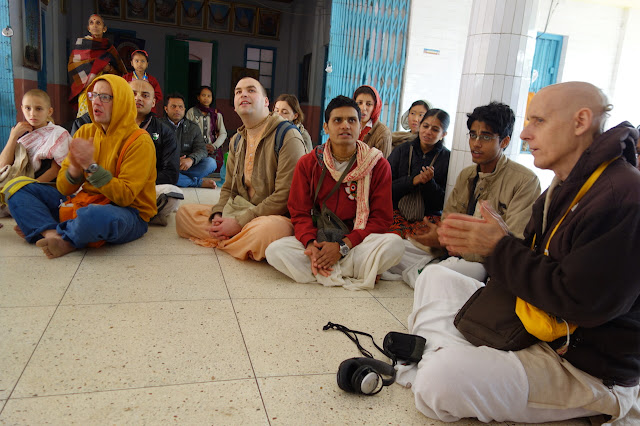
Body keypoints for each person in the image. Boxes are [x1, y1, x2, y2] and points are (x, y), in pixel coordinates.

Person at [398, 82, 640, 424]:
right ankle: (453, 359)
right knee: (436, 278)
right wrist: (498, 243)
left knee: (439, 382)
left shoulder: (622, 196)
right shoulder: (564, 186)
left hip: (582, 365)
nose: (525, 133)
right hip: (533, 326)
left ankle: (443, 361)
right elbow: (539, 264)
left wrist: (499, 247)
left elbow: (581, 301)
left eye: (538, 121)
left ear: (580, 121)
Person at [385, 102, 540, 286]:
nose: (476, 143)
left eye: (486, 137)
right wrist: (440, 237)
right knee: (388, 248)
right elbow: (449, 221)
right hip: (452, 252)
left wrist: (453, 244)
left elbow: (515, 244)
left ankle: (429, 273)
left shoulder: (524, 181)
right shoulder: (467, 175)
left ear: (504, 142)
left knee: (431, 277)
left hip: (485, 263)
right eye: (473, 135)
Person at [5, 75, 157, 258]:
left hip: (129, 212)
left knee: (95, 216)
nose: (96, 102)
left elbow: (124, 197)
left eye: (105, 97)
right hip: (81, 201)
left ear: (123, 101)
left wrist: (90, 166)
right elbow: (63, 188)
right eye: (93, 95)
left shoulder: (140, 141)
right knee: (16, 188)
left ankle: (47, 228)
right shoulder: (85, 131)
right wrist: (74, 171)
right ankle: (54, 234)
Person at [265, 96, 404, 290]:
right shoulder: (309, 163)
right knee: (275, 251)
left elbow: (381, 219)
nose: (345, 126)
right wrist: (311, 245)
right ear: (326, 127)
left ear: (360, 125)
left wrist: (342, 247)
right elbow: (299, 212)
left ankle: (323, 270)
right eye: (337, 120)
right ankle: (349, 270)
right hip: (320, 238)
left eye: (352, 120)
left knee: (394, 245)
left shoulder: (377, 164)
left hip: (356, 243)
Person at [175, 77, 306, 261]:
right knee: (183, 215)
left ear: (267, 102)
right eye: (238, 92)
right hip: (238, 209)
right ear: (235, 106)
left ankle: (226, 238)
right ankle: (235, 241)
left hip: (273, 217)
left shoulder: (287, 136)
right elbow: (228, 187)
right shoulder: (237, 139)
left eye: (251, 90)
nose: (243, 94)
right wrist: (219, 213)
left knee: (266, 233)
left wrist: (239, 223)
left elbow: (285, 196)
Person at [0, 90, 71, 215]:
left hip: (46, 187)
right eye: (28, 108)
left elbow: (57, 170)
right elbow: (3, 166)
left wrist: (28, 188)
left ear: (49, 111)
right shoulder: (23, 138)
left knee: (14, 200)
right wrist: (13, 137)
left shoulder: (58, 134)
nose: (32, 113)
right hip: (22, 185)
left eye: (38, 109)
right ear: (22, 109)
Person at [387, 109, 451, 239]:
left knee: (432, 242)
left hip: (429, 217)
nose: (428, 132)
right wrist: (412, 181)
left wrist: (430, 183)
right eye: (425, 126)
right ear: (420, 126)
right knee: (392, 240)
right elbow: (385, 188)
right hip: (396, 212)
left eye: (435, 129)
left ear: (443, 134)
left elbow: (444, 202)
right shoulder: (401, 150)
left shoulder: (447, 158)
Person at [130, 80, 182, 225]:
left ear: (153, 102)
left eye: (144, 95)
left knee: (172, 194)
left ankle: (133, 210)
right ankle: (146, 214)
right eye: (133, 94)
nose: (138, 98)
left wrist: (138, 184)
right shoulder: (111, 125)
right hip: (116, 185)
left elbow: (171, 174)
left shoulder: (164, 131)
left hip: (147, 186)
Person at [68, 14, 126, 117]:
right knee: (86, 118)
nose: (95, 25)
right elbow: (74, 67)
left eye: (98, 23)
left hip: (105, 89)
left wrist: (110, 68)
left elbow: (120, 72)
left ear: (104, 29)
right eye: (92, 23)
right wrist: (95, 69)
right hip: (86, 89)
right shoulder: (81, 45)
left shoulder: (109, 48)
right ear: (88, 28)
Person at [162, 93, 217, 189]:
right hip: (166, 167)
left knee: (211, 163)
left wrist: (191, 159)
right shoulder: (159, 126)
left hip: (186, 166)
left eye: (180, 107)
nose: (177, 109)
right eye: (173, 106)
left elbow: (202, 150)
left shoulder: (193, 127)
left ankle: (179, 179)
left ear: (184, 110)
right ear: (166, 109)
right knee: (155, 173)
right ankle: (196, 183)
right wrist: (171, 161)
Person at [186, 86, 228, 173]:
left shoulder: (216, 114)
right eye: (203, 95)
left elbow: (223, 133)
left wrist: (214, 146)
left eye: (209, 96)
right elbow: (187, 132)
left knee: (214, 166)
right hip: (195, 149)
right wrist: (200, 146)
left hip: (212, 150)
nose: (206, 98)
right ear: (198, 97)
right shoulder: (192, 112)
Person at [353, 85, 392, 157]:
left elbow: (383, 165)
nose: (363, 108)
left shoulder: (383, 133)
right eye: (359, 103)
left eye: (368, 104)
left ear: (375, 107)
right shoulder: (350, 126)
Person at [123, 50, 163, 115]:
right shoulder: (126, 78)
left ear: (147, 64)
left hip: (147, 111)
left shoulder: (152, 80)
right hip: (129, 111)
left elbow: (158, 96)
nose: (139, 64)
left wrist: (147, 98)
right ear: (132, 63)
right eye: (136, 61)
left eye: (143, 61)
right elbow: (120, 94)